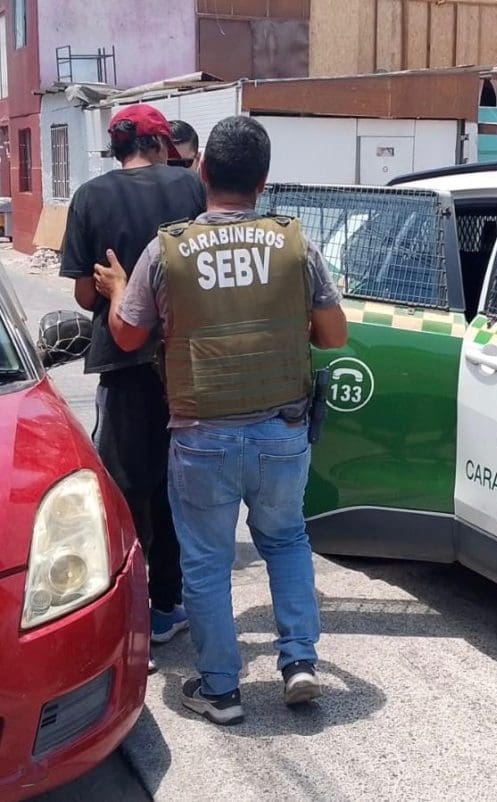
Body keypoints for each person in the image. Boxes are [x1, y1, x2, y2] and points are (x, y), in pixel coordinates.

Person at [95, 115, 348, 726]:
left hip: (201, 436)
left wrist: (119, 289)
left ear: (203, 170)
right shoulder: (295, 243)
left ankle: (221, 691)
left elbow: (127, 336)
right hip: (282, 433)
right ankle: (299, 661)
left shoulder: (167, 249)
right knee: (286, 541)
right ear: (263, 181)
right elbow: (334, 335)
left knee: (206, 562)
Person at [59, 104, 206, 669]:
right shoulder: (189, 189)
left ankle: (133, 615)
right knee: (177, 485)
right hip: (185, 359)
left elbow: (83, 296)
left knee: (126, 490)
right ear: (161, 144)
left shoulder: (90, 197)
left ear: (118, 147)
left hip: (122, 361)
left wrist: (111, 289)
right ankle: (169, 603)